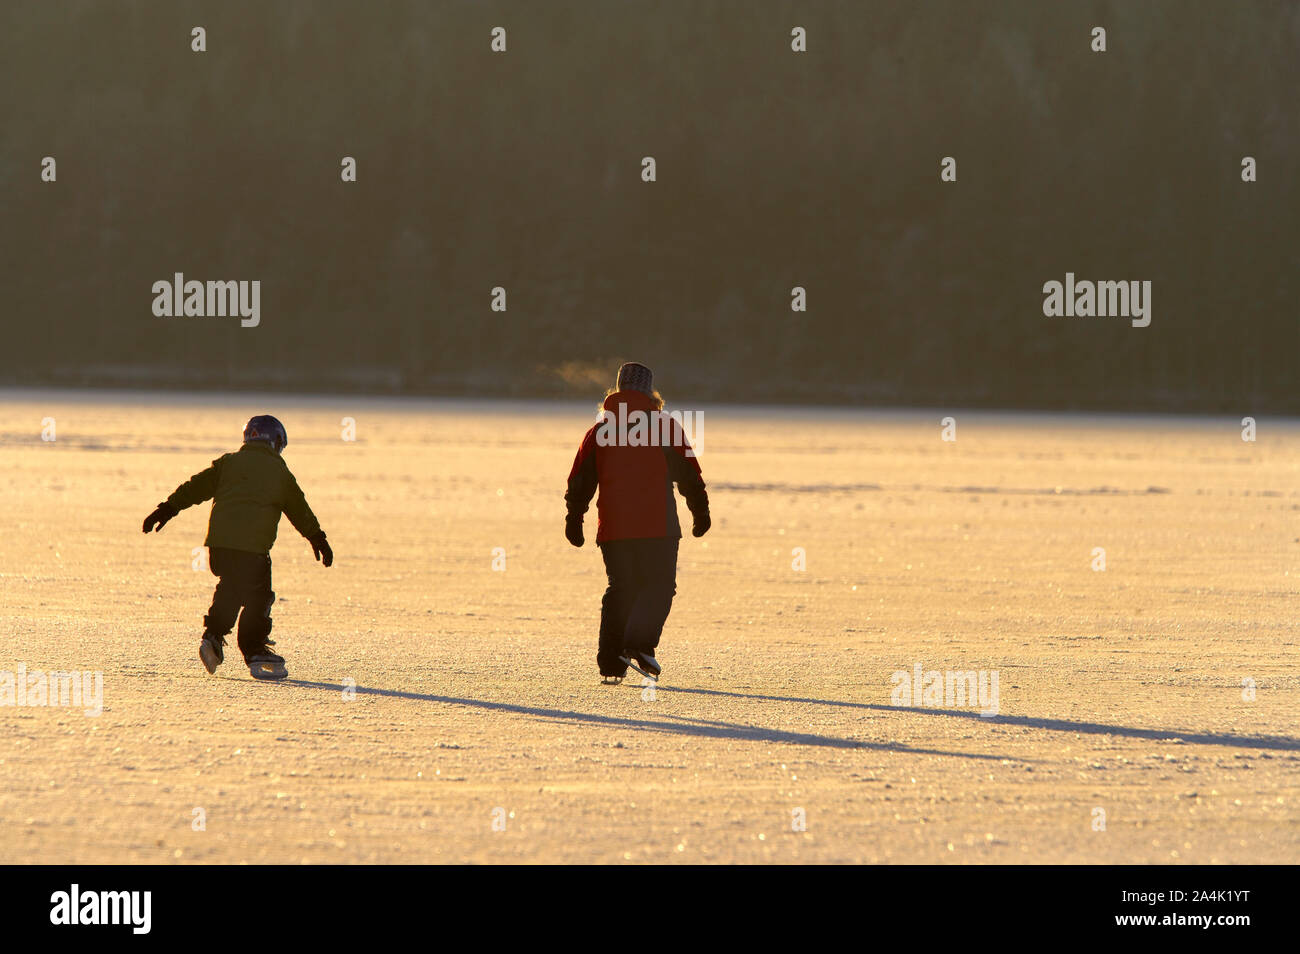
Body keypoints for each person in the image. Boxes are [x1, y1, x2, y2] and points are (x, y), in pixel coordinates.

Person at [141, 414, 332, 681]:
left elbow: (194, 487)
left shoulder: (228, 464)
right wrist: (317, 537)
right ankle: (253, 649)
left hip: (219, 548)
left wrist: (167, 509)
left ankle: (214, 636)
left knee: (231, 587)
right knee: (258, 597)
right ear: (276, 442)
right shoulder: (279, 472)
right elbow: (299, 509)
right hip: (253, 550)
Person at [565, 363, 710, 683]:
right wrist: (700, 510)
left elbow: (581, 478)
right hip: (658, 526)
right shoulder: (664, 426)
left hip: (615, 528)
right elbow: (688, 473)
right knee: (658, 586)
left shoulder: (600, 430)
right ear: (649, 392)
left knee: (621, 590)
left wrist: (575, 516)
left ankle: (611, 665)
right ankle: (640, 643)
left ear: (617, 391)